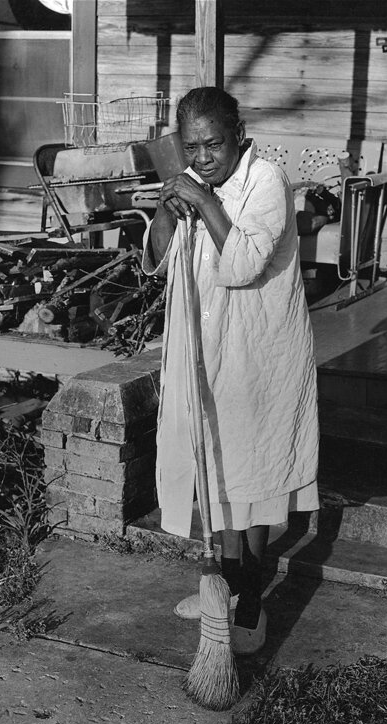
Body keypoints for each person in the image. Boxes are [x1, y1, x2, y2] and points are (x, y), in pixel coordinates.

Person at [142, 87, 319, 655]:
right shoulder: (200, 185)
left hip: (253, 354)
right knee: (213, 470)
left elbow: (241, 264)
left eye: (213, 144)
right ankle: (221, 587)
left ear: (238, 134)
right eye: (190, 147)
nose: (201, 157)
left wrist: (204, 200)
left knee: (251, 481)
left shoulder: (265, 181)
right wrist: (169, 213)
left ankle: (249, 601)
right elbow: (158, 263)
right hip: (201, 351)